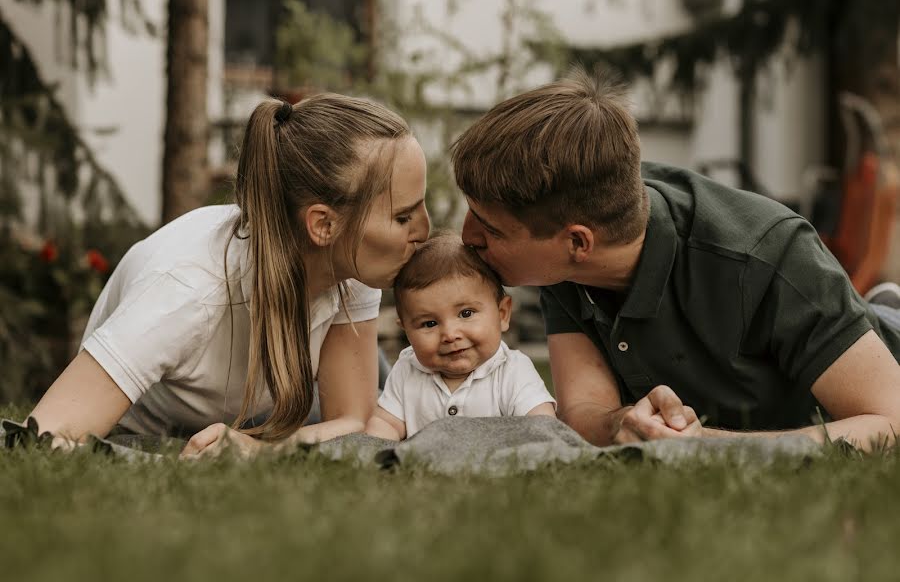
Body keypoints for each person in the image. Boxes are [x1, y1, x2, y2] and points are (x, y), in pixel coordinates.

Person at [450, 66, 900, 451]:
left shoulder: (768, 256)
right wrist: (621, 423)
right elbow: (585, 409)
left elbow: (890, 423)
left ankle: (884, 314)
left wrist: (706, 446)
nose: (467, 236)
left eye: (489, 228)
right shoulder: (571, 231)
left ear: (579, 243)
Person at [29, 93, 430, 457]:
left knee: (399, 403)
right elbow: (45, 433)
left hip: (267, 409)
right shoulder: (187, 290)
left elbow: (354, 422)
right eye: (403, 216)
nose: (425, 231)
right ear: (324, 225)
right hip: (166, 425)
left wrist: (257, 450)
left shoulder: (350, 264)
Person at [364, 232, 556, 441]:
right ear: (406, 330)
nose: (450, 334)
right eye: (430, 323)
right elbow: (387, 422)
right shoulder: (406, 370)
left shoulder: (512, 371)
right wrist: (376, 445)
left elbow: (541, 424)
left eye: (466, 314)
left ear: (502, 314)